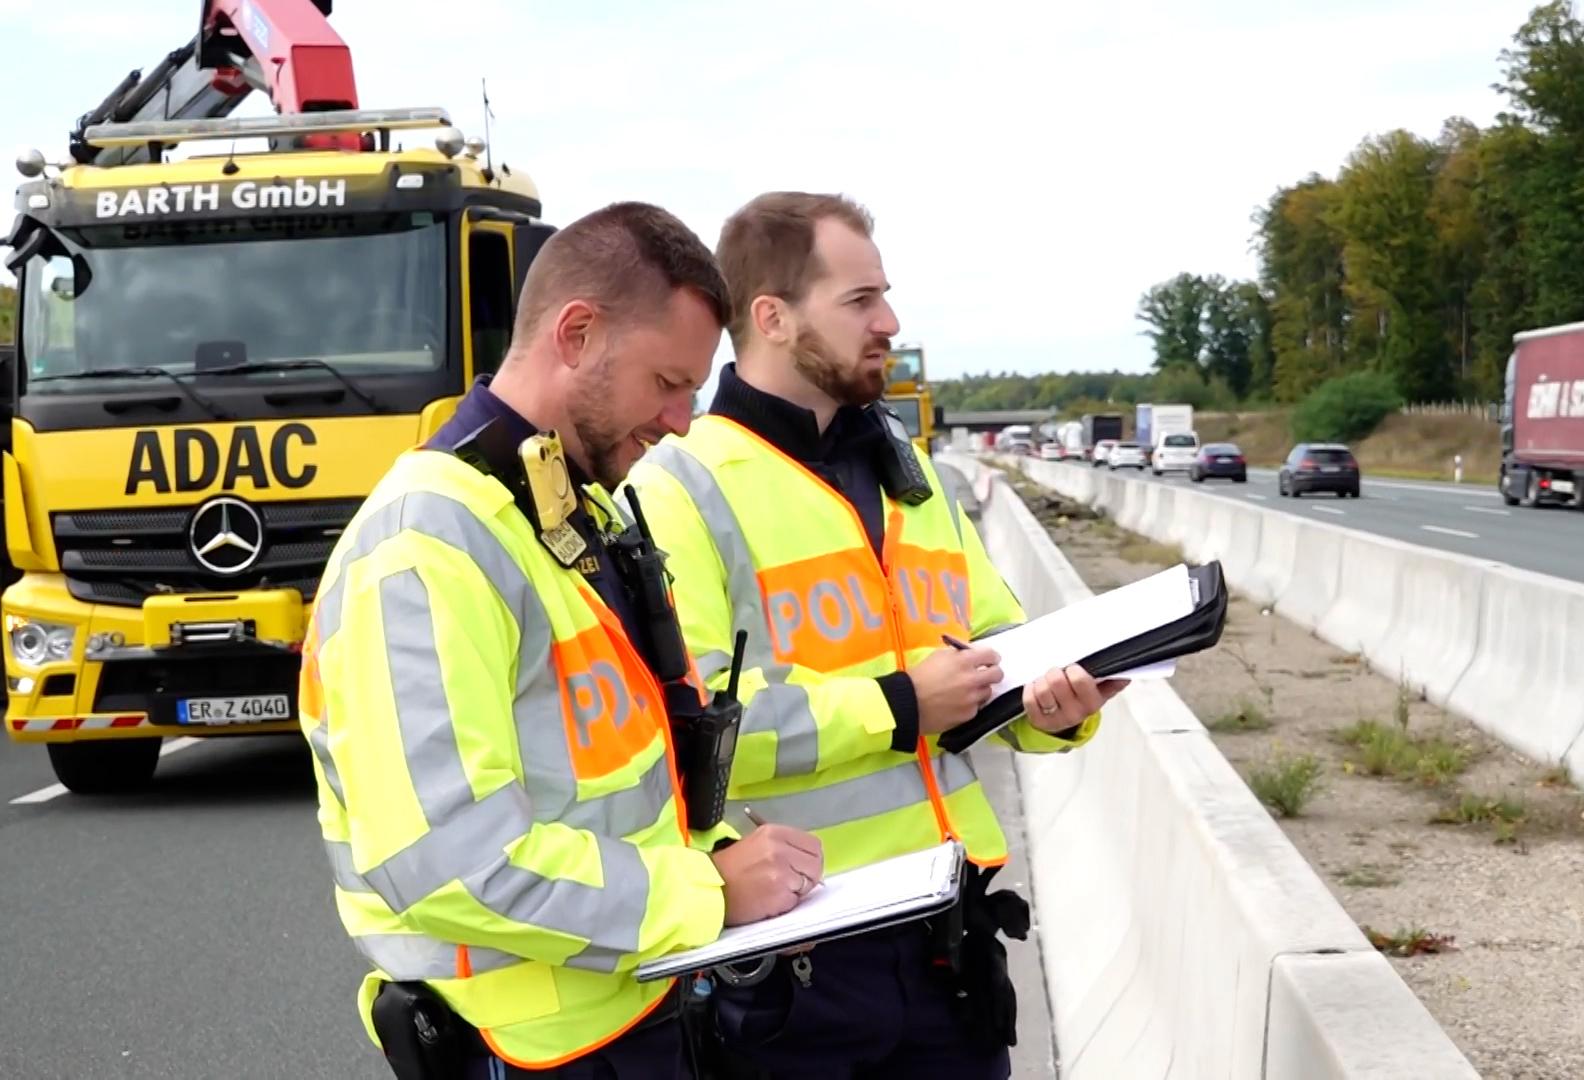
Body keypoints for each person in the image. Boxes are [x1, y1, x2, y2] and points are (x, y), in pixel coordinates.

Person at [298, 201, 825, 1079]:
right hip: (529, 1053)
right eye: (666, 383)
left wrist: (712, 854)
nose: (682, 420)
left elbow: (603, 788)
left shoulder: (567, 513)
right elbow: (447, 862)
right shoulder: (425, 548)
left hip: (636, 1013)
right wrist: (707, 892)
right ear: (575, 334)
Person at [625, 192, 1126, 1079]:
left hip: (948, 947)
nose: (889, 322)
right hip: (796, 963)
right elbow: (684, 729)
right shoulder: (679, 488)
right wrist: (900, 707)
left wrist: (1055, 707)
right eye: (860, 302)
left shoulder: (913, 476)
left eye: (884, 297)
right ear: (773, 318)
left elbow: (997, 649)